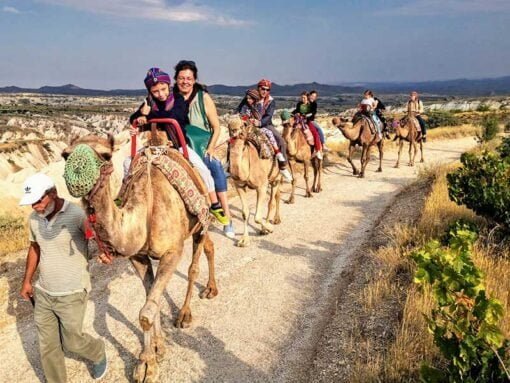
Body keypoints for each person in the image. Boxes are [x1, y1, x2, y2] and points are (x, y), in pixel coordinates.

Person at [19, 173, 107, 382]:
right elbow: (34, 248)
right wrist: (27, 281)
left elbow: (93, 237)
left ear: (53, 193)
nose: (35, 207)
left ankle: (97, 351)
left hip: (72, 292)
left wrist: (102, 250)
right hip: (45, 292)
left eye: (39, 200)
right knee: (47, 346)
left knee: (73, 342)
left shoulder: (76, 214)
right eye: (32, 203)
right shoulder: (34, 219)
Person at [129, 67, 229, 225]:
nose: (160, 94)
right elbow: (133, 118)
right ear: (150, 91)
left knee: (203, 170)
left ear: (168, 86)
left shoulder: (178, 100)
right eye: (155, 91)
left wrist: (148, 116)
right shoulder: (149, 102)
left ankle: (214, 204)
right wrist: (140, 116)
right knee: (128, 163)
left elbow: (174, 116)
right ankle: (125, 196)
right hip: (154, 145)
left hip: (177, 144)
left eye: (163, 89)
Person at [172, 60, 234, 237]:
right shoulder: (172, 97)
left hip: (201, 144)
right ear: (176, 79)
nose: (185, 81)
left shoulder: (203, 98)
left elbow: (216, 127)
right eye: (181, 78)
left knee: (214, 166)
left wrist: (212, 148)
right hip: (179, 143)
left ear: (194, 79)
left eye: (189, 78)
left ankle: (226, 216)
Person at [236, 79, 293, 182]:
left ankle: (283, 167)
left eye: (267, 90)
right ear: (259, 88)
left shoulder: (270, 101)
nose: (265, 91)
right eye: (263, 89)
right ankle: (230, 165)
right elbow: (241, 109)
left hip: (265, 124)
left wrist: (260, 123)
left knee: (281, 141)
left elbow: (269, 116)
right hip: (248, 123)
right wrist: (243, 118)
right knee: (234, 139)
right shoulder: (251, 96)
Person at [292, 91, 323, 158]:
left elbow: (312, 112)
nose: (302, 99)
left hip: (307, 121)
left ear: (307, 97)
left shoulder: (310, 105)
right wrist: (294, 113)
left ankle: (318, 150)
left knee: (315, 133)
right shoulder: (299, 104)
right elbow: (297, 110)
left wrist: (306, 115)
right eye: (302, 98)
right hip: (298, 121)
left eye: (304, 98)